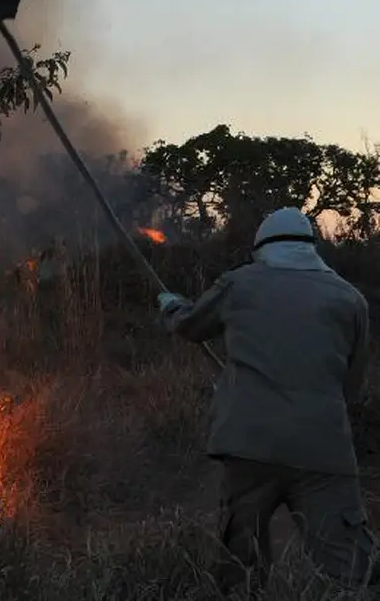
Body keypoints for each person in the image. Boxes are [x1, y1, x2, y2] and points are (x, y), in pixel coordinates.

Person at [158, 206, 377, 592]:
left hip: (248, 446)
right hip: (323, 450)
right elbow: (350, 385)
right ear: (312, 247)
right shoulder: (350, 299)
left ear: (262, 247)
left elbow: (192, 326)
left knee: (241, 566)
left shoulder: (239, 284)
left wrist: (172, 306)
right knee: (353, 566)